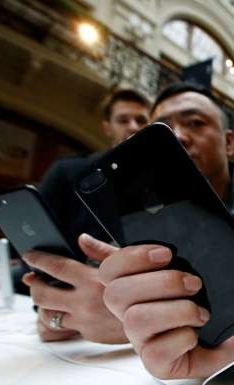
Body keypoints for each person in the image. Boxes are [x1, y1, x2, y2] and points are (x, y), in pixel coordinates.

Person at [28, 83, 234, 378]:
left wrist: (141, 320)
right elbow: (97, 291)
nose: (179, 136)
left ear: (228, 142)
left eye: (195, 123)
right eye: (164, 127)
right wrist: (65, 315)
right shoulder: (141, 217)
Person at [21, 88, 151, 342]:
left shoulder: (163, 186)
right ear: (107, 127)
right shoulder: (67, 172)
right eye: (123, 120)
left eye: (141, 120)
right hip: (67, 316)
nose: (133, 127)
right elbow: (38, 246)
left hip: (141, 319)